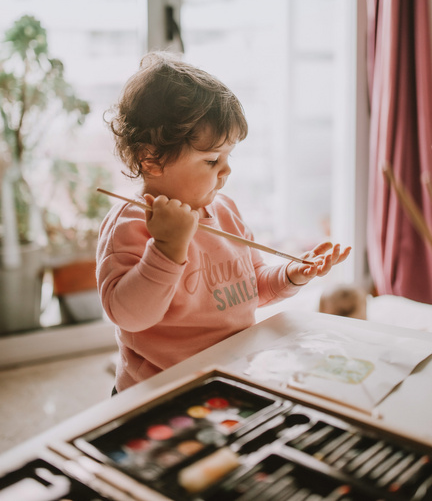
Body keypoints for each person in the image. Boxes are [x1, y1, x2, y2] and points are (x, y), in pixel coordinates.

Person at [97, 51, 351, 392]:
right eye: (212, 160)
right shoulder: (131, 224)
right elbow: (129, 316)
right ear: (151, 159)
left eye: (228, 157)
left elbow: (251, 288)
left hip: (232, 375)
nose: (227, 170)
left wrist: (292, 274)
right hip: (161, 391)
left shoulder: (226, 211)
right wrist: (166, 249)